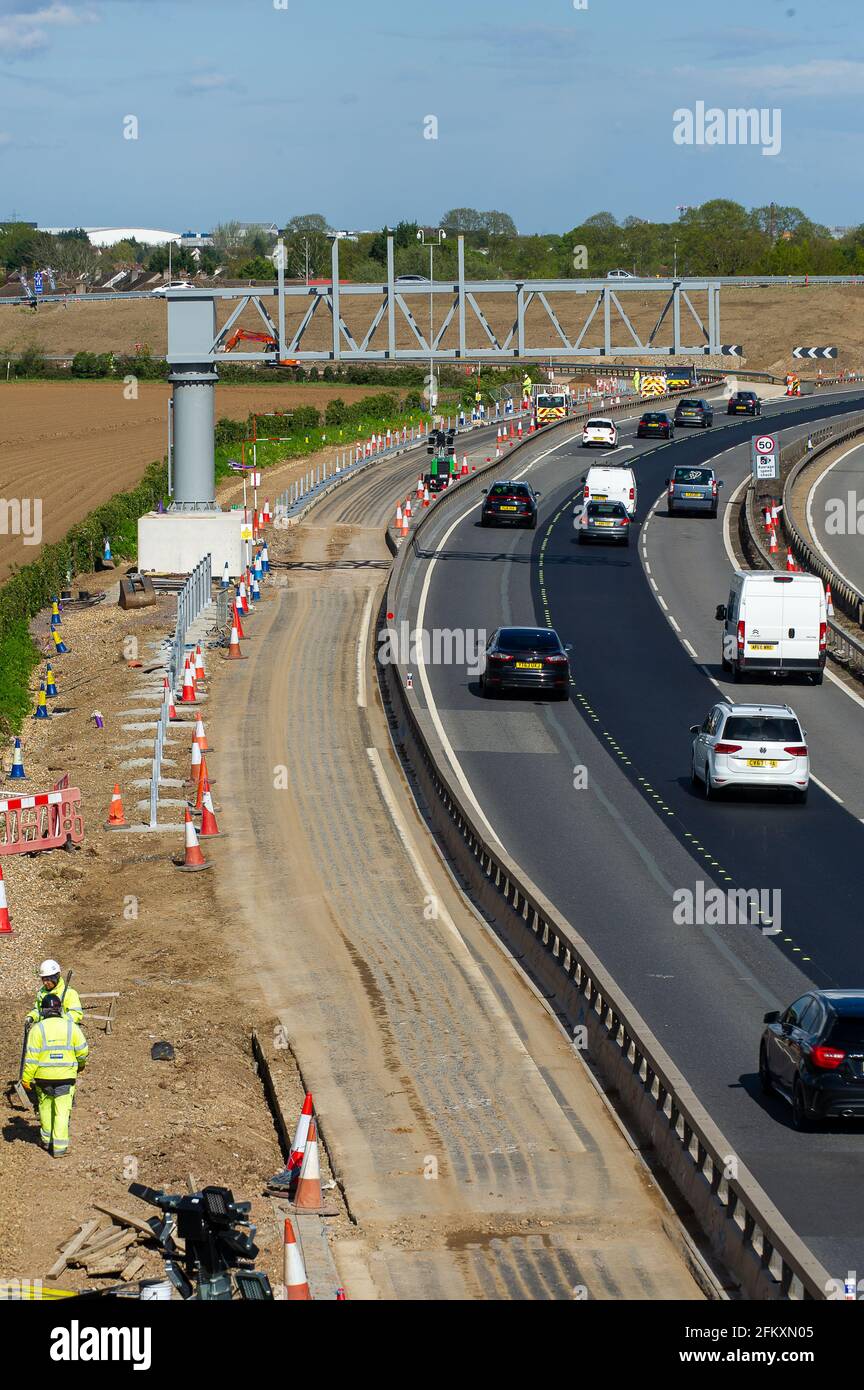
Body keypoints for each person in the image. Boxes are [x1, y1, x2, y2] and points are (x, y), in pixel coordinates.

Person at [22, 995, 89, 1157]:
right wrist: (80, 1065)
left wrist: (26, 1078)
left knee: (45, 1109)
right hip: (65, 1078)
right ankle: (59, 1148)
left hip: (43, 1079)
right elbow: (83, 1051)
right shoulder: (71, 1027)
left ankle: (46, 1140)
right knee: (62, 1111)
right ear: (60, 1009)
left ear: (43, 1011)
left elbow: (31, 1058)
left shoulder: (38, 1029)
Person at [27, 960, 83, 1026]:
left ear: (55, 978)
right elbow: (38, 1011)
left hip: (64, 1031)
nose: (45, 983)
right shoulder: (42, 993)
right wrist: (31, 1017)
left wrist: (60, 1019)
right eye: (43, 979)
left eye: (48, 980)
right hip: (46, 1031)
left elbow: (77, 1014)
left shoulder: (69, 993)